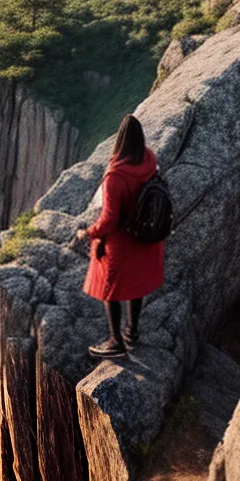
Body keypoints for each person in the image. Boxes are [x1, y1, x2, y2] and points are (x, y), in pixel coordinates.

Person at [75, 114, 163, 360]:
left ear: (119, 141)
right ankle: (132, 332)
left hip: (122, 242)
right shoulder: (149, 159)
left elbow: (110, 219)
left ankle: (116, 342)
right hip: (146, 237)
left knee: (109, 290)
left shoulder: (115, 176)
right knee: (137, 286)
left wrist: (87, 233)